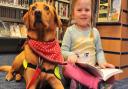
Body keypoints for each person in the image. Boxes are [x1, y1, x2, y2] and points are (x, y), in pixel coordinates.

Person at [61, 0, 115, 89]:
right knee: (66, 68)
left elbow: (99, 51)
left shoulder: (95, 32)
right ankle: (95, 84)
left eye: (87, 10)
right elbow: (62, 51)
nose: (83, 13)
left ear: (91, 13)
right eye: (79, 10)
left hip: (91, 69)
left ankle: (81, 83)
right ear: (73, 14)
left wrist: (102, 63)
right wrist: (71, 55)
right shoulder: (70, 31)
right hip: (76, 67)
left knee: (111, 71)